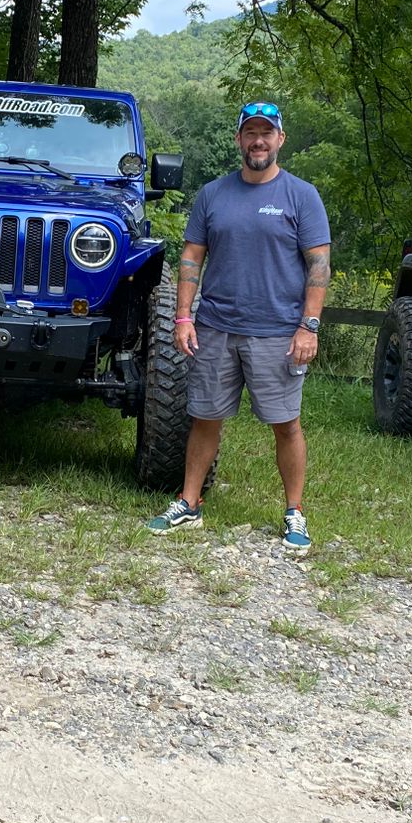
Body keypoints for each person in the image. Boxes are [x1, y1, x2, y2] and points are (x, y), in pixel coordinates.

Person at [145, 101, 331, 554]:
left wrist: (309, 327)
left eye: (267, 133)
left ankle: (294, 511)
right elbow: (191, 257)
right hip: (215, 328)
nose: (259, 140)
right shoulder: (213, 194)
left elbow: (319, 265)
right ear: (239, 140)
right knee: (205, 418)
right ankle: (189, 502)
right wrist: (183, 317)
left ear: (280, 139)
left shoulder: (301, 196)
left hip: (277, 333)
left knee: (286, 424)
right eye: (250, 132)